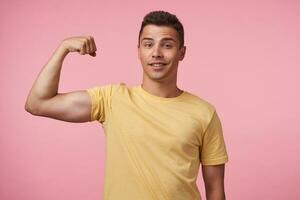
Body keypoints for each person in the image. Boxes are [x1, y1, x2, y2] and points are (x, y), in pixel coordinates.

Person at [25, 10, 229, 200]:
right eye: (148, 44)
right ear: (138, 50)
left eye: (167, 45)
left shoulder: (204, 113)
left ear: (182, 52)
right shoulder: (112, 99)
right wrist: (63, 49)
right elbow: (38, 103)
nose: (156, 53)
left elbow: (215, 189)